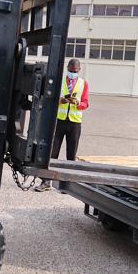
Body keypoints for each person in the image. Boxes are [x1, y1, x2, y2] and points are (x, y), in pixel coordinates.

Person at [35, 58, 90, 192]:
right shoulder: (59, 82)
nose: (72, 73)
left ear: (79, 70)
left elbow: (86, 103)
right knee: (52, 153)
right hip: (59, 121)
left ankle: (67, 185)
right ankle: (46, 182)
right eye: (70, 71)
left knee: (71, 155)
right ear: (67, 69)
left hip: (75, 123)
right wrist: (61, 101)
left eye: (75, 71)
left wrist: (78, 104)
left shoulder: (84, 84)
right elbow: (52, 99)